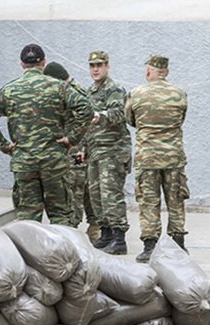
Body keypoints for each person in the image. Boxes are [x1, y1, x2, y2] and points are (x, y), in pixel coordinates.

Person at [0, 44, 92, 226]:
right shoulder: (59, 87)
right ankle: (63, 253)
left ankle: (32, 254)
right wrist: (72, 138)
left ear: (21, 64)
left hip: (24, 162)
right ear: (44, 62)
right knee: (60, 215)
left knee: (28, 218)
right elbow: (86, 109)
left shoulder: (9, 90)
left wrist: (5, 146)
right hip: (53, 161)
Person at [125, 55, 190, 263]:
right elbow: (181, 119)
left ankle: (150, 246)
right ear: (167, 72)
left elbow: (130, 119)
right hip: (173, 156)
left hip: (148, 156)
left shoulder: (136, 94)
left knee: (148, 201)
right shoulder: (179, 94)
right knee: (176, 199)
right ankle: (178, 242)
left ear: (148, 71)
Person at [42, 61, 99, 240]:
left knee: (74, 190)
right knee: (86, 189)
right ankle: (94, 226)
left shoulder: (69, 91)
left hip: (75, 148)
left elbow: (84, 120)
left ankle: (72, 231)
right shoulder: (79, 89)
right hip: (82, 146)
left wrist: (75, 142)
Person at [84, 51, 131, 255]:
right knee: (96, 196)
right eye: (92, 65)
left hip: (112, 151)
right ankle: (106, 233)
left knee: (111, 195)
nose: (95, 69)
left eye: (99, 65)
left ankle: (119, 238)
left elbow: (118, 114)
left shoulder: (115, 89)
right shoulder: (90, 92)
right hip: (95, 151)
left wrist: (99, 115)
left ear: (107, 66)